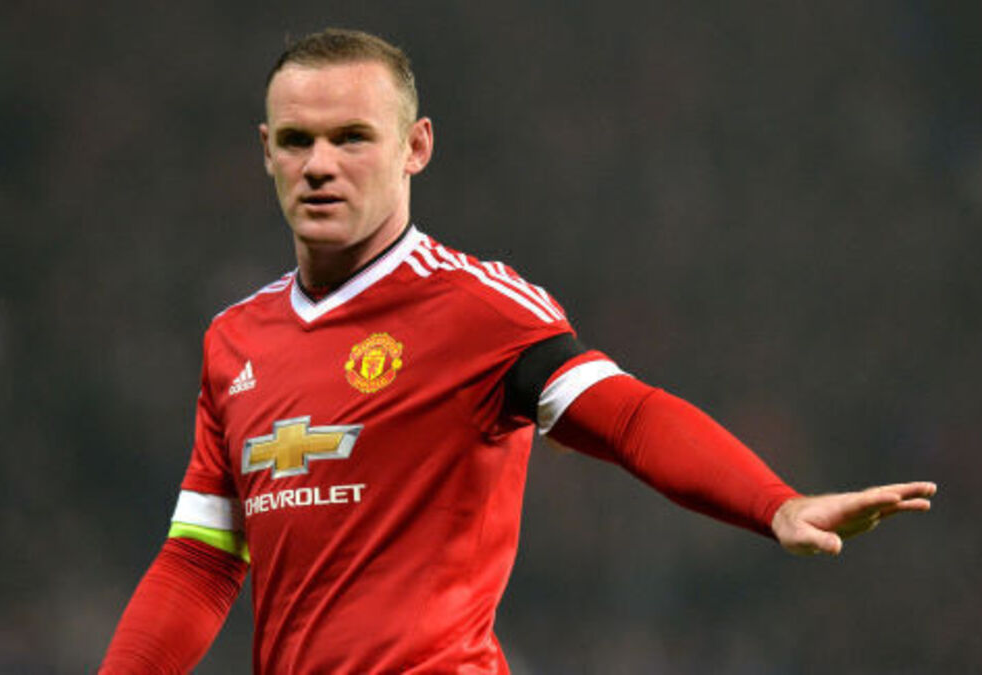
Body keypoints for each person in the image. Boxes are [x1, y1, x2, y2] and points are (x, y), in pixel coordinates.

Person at [99, 28, 936, 674]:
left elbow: (627, 415)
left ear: (415, 146)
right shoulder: (236, 338)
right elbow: (201, 561)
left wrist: (773, 504)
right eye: (296, 140)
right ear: (266, 150)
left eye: (352, 136)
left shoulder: (477, 308)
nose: (320, 165)